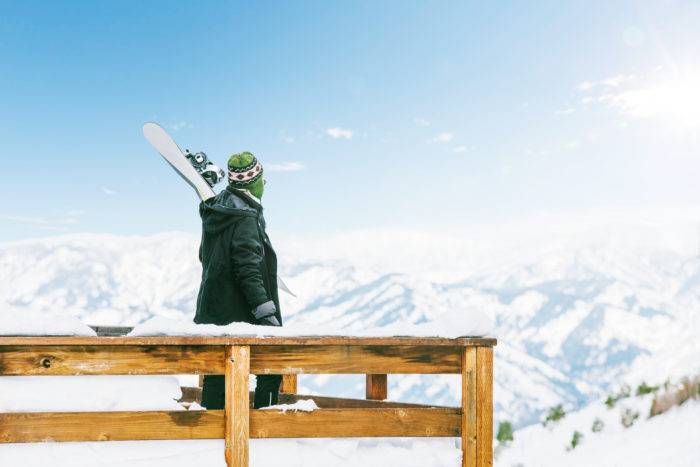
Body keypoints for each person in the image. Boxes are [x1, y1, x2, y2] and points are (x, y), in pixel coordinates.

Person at [194, 151, 282, 409]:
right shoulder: (245, 219)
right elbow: (247, 269)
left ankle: (212, 434)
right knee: (272, 363)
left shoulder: (218, 211)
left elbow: (204, 256)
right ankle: (265, 424)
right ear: (253, 182)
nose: (265, 184)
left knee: (217, 375)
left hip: (213, 310)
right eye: (261, 179)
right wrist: (266, 311)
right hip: (240, 312)